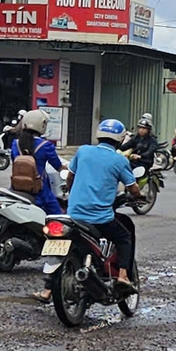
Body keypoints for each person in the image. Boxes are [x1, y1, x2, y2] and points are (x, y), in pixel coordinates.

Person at [64, 117, 140, 294]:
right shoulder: (120, 161)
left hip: (73, 213)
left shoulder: (83, 151)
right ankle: (122, 275)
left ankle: (47, 290)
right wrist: (139, 195)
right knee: (124, 236)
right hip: (99, 219)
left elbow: (70, 177)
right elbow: (133, 188)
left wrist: (70, 191)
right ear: (121, 140)